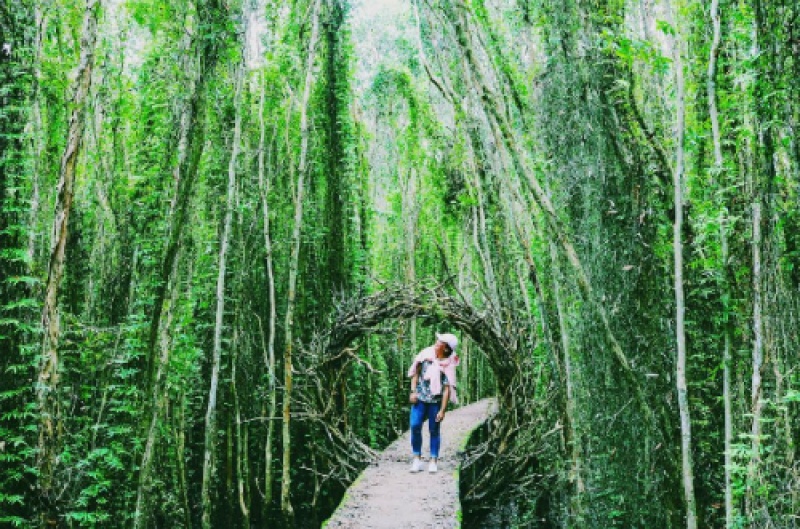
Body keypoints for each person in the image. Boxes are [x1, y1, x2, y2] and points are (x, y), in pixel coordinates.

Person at [407, 332, 460, 473]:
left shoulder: (449, 364)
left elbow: (447, 388)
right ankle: (417, 458)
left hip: (435, 402)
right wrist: (413, 391)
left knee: (434, 430)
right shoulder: (426, 355)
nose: (436, 343)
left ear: (446, 348)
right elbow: (415, 373)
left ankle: (433, 460)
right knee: (415, 425)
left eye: (440, 342)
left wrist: (442, 410)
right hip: (420, 398)